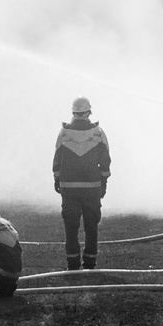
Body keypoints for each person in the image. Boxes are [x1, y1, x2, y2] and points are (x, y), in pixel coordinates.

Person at [53, 96, 111, 270]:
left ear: (73, 113)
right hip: (92, 188)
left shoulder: (63, 133)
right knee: (91, 227)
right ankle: (90, 262)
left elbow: (57, 161)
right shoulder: (98, 133)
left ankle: (72, 263)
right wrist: (104, 181)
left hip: (68, 188)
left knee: (71, 228)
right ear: (88, 112)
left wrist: (57, 179)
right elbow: (105, 161)